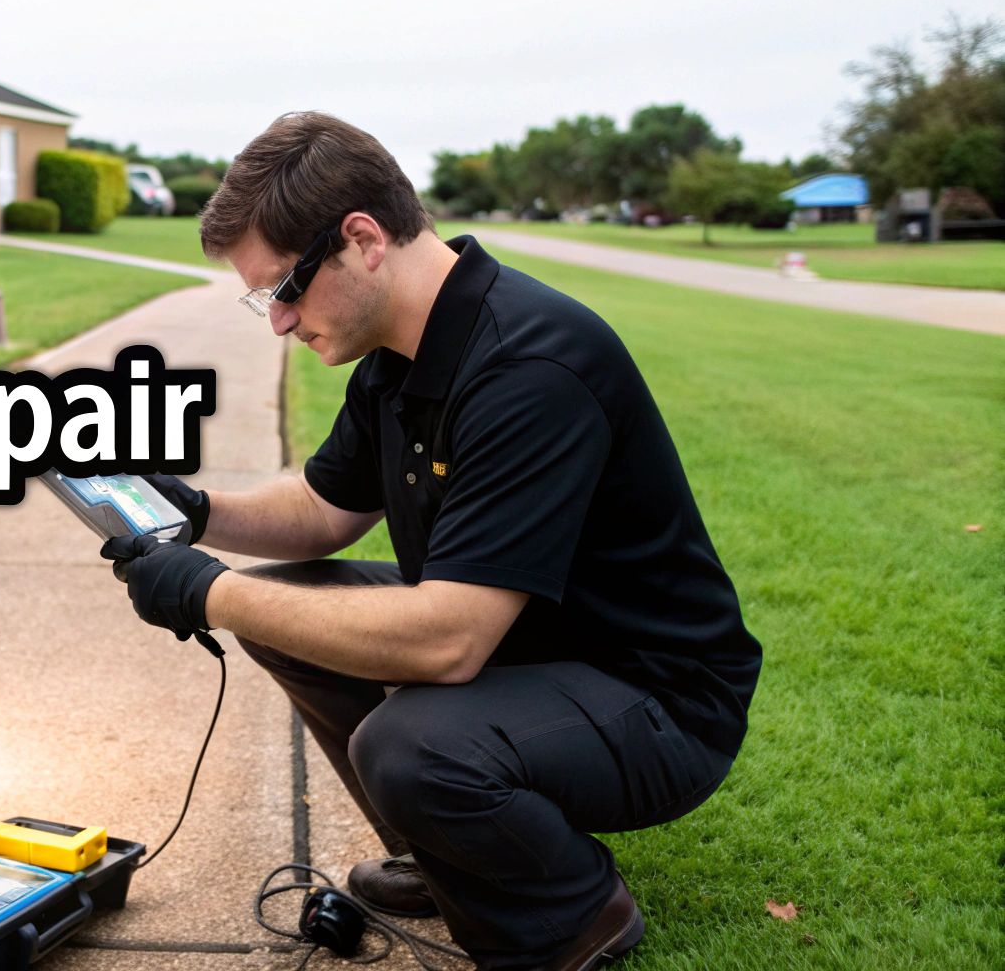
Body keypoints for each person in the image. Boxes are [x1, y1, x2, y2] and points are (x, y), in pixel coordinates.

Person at [101, 112, 761, 971]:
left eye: (283, 289)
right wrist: (194, 511)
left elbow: (449, 640)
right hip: (536, 652)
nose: (278, 321)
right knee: (292, 607)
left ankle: (571, 918)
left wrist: (210, 592)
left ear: (363, 239)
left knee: (408, 744)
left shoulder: (529, 365)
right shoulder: (398, 351)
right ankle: (445, 851)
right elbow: (321, 509)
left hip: (657, 701)